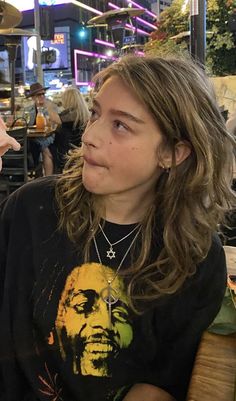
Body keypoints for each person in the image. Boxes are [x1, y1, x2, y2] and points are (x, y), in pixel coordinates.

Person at [0, 55, 235, 401]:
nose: (90, 135)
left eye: (121, 125)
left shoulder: (194, 256)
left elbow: (162, 383)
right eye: (95, 114)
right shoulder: (31, 209)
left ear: (173, 152)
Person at [50, 87, 90, 172]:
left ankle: (50, 177)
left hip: (66, 149)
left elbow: (55, 119)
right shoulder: (84, 112)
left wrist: (48, 105)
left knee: (46, 149)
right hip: (80, 146)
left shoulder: (70, 113)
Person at [25, 82, 60, 176]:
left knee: (45, 149)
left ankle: (46, 178)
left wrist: (46, 109)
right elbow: (27, 123)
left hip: (48, 137)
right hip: (33, 137)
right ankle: (42, 176)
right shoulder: (29, 109)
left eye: (43, 94)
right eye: (38, 95)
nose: (41, 96)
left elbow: (55, 124)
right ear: (33, 97)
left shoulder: (51, 106)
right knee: (43, 149)